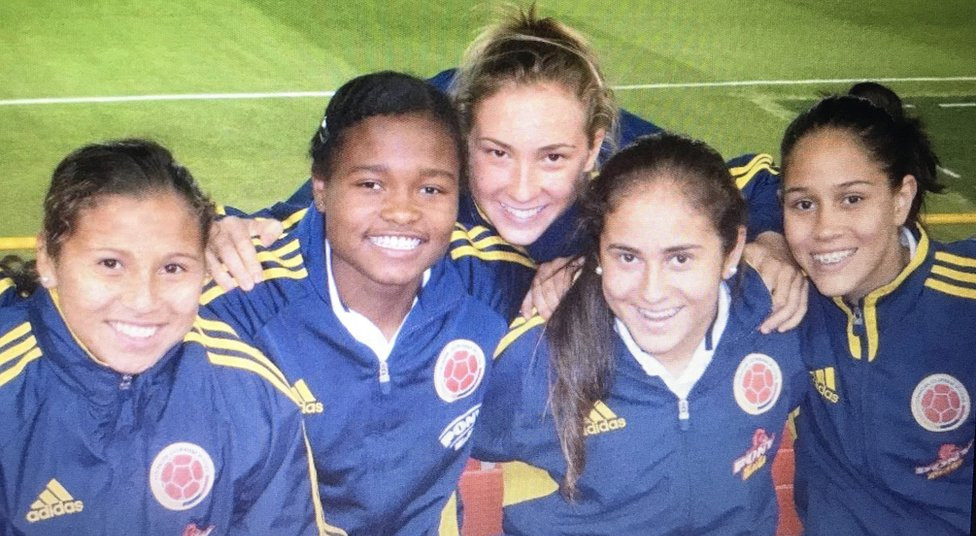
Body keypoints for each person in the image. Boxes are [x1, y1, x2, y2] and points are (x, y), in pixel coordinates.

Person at [207, 6, 805, 331]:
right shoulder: (427, 139)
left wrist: (771, 241)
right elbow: (302, 212)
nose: (521, 189)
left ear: (593, 149)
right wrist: (226, 229)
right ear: (464, 138)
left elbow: (750, 184)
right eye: (496, 152)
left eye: (553, 157)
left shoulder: (625, 162)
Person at [199, 72, 510, 536]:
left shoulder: (490, 283)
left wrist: (572, 270)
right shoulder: (241, 307)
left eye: (431, 189)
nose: (402, 211)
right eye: (370, 184)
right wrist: (198, 230)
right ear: (320, 188)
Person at [0, 139, 347, 536]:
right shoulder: (11, 394)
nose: (143, 301)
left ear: (205, 266)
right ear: (47, 259)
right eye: (110, 264)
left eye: (173, 268)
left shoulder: (250, 395)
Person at [471, 133, 808, 536]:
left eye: (680, 258)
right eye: (627, 257)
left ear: (732, 250)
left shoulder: (778, 325)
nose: (652, 291)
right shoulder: (539, 356)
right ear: (597, 254)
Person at [781, 84, 974, 536]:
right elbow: (701, 184)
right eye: (804, 204)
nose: (825, 229)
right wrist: (769, 242)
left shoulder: (965, 298)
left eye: (852, 199)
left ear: (900, 199)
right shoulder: (789, 301)